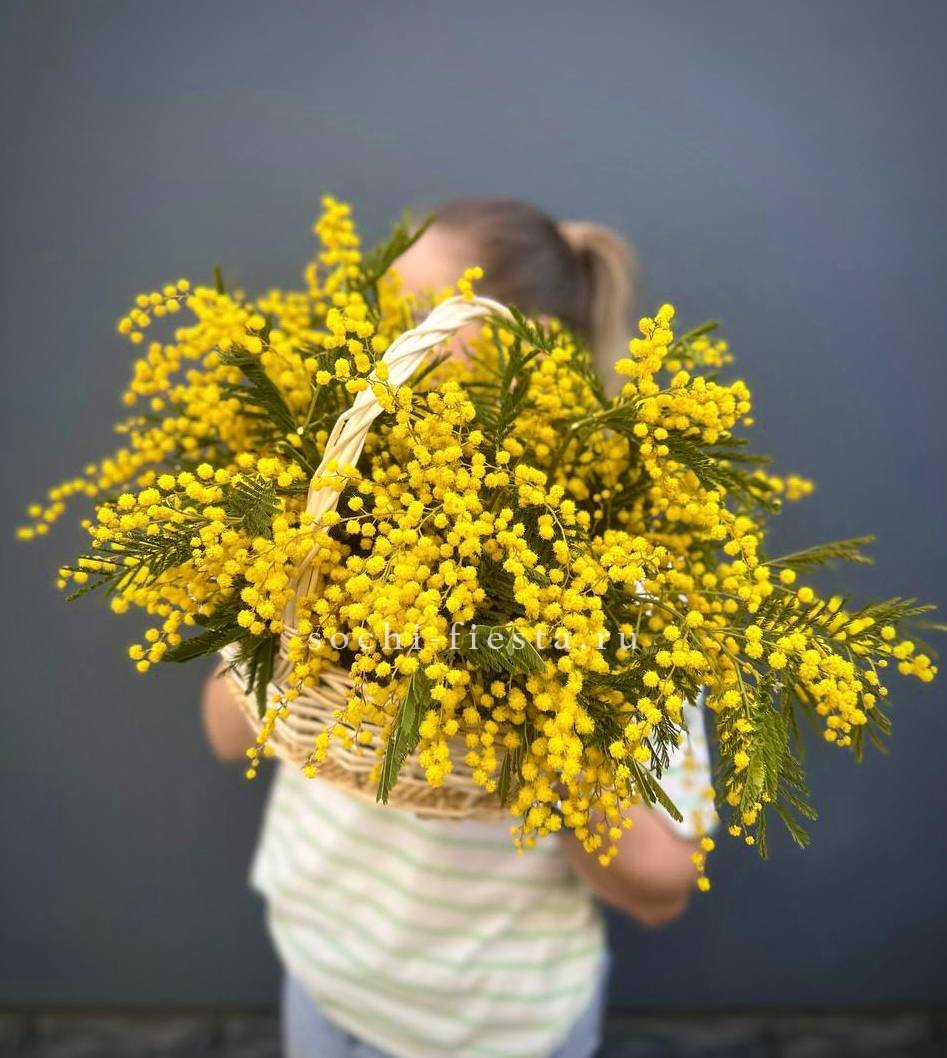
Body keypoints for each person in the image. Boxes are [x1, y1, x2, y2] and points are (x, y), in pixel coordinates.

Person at [202, 198, 717, 1058]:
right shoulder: (325, 511)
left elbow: (663, 888)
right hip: (318, 967)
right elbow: (225, 733)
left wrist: (552, 711)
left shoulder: (621, 587)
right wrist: (291, 608)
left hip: (496, 1027)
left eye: (417, 323)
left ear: (528, 360)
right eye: (384, 315)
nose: (386, 348)